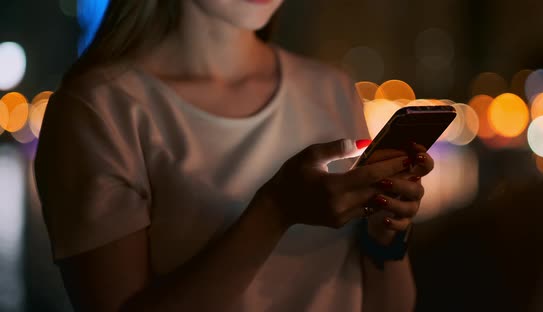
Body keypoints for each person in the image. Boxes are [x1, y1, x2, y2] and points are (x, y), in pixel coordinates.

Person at [33, 0, 434, 311]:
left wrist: (386, 234)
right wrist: (275, 211)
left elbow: (389, 305)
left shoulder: (331, 89)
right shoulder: (100, 109)